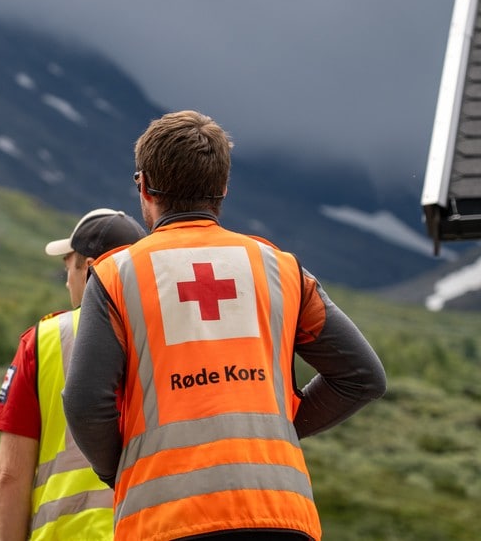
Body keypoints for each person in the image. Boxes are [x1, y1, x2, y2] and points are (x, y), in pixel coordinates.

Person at [61, 110, 387, 541]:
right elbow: (362, 377)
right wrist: (280, 430)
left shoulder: (117, 274)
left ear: (143, 186)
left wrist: (122, 472)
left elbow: (85, 403)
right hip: (280, 513)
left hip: (165, 519)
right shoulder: (279, 268)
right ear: (223, 189)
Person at [0, 208, 146, 540]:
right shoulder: (165, 334)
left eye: (69, 268)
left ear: (89, 269)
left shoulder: (44, 340)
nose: (66, 281)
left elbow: (10, 474)